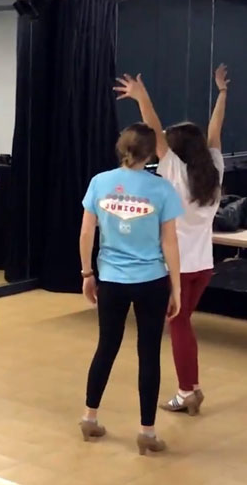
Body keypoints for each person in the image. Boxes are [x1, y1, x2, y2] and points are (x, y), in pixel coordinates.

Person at [114, 66, 228, 415]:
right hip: (204, 266)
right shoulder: (214, 168)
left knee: (178, 324)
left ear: (176, 150)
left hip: (177, 268)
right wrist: (222, 94)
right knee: (182, 322)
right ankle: (191, 387)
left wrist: (140, 95)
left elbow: (152, 126)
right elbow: (214, 131)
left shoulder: (175, 171)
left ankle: (186, 391)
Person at [78, 122, 183, 455]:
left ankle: (90, 416)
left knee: (106, 346)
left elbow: (86, 234)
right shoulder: (161, 189)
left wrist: (87, 273)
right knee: (149, 353)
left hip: (110, 278)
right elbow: (170, 241)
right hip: (151, 280)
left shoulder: (100, 183)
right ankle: (147, 432)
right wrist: (176, 288)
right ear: (151, 152)